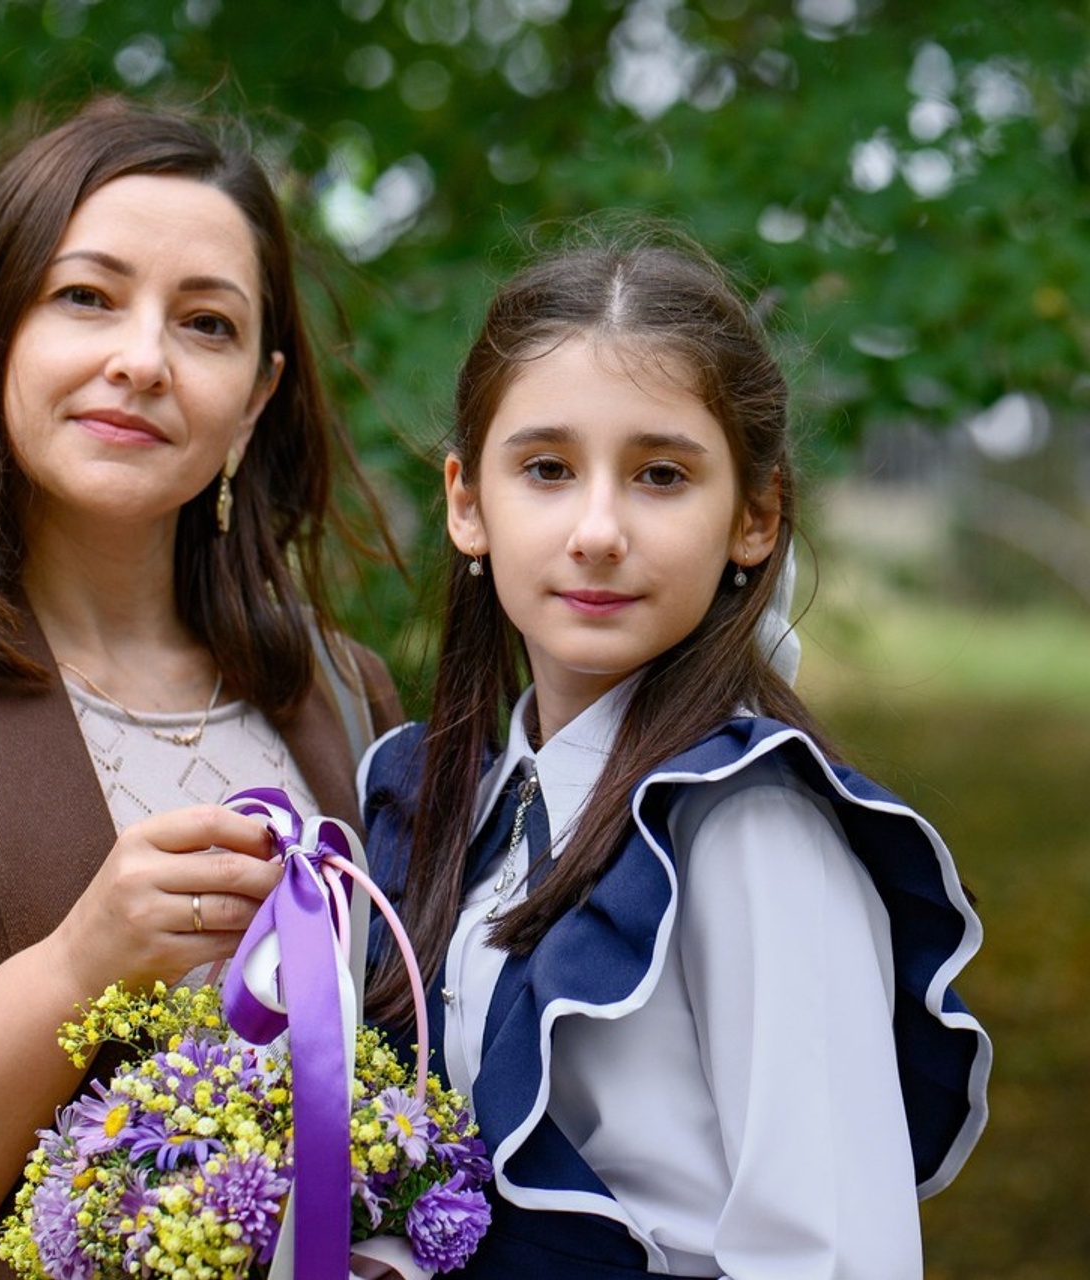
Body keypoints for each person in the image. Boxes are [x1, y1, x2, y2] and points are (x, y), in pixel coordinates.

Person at [0, 97, 402, 1278]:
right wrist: (78, 967)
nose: (142, 358)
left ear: (256, 394)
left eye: (205, 323)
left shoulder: (344, 695)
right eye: (86, 296)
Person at [361, 233, 990, 1278]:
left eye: (659, 474)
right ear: (466, 501)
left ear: (753, 515)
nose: (597, 528)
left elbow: (831, 1254)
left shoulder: (750, 826)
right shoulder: (432, 797)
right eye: (547, 468)